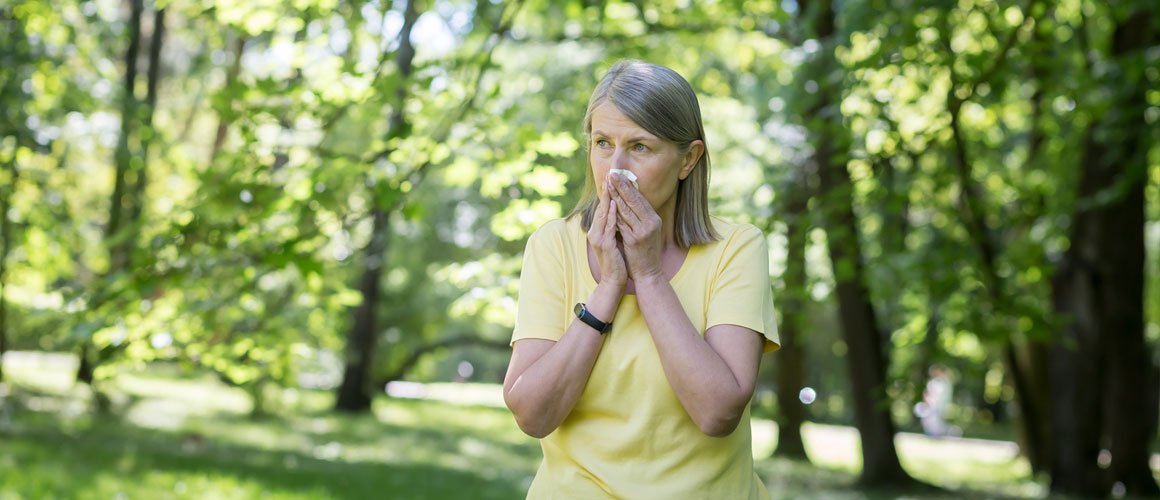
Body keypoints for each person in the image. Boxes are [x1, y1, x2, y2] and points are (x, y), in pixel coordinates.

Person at [502, 60, 780, 499]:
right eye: (602, 143)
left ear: (688, 159)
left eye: (640, 147)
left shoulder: (737, 248)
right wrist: (608, 288)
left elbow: (717, 412)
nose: (616, 170)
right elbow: (532, 415)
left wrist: (648, 275)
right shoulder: (552, 245)